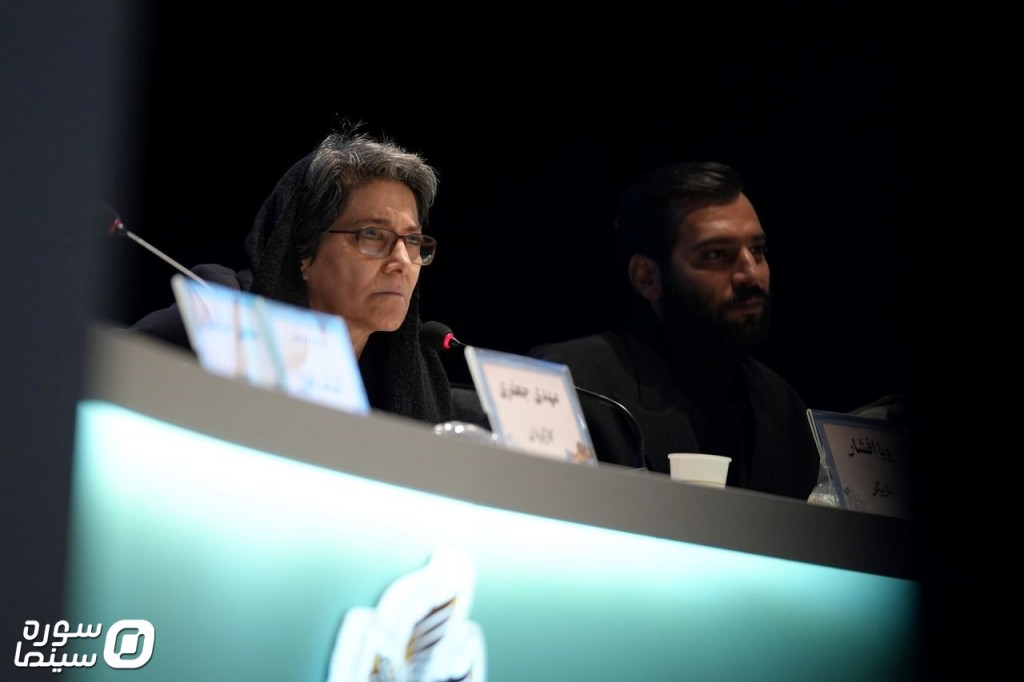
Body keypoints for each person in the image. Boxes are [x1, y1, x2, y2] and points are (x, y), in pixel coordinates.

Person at [132, 126, 485, 427]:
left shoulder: (412, 376)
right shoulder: (221, 322)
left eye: (412, 240)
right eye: (373, 236)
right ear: (305, 250)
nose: (401, 262)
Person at [529, 161, 819, 499]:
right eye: (717, 254)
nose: (751, 274)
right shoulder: (570, 382)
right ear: (646, 277)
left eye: (757, 250)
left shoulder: (782, 404)